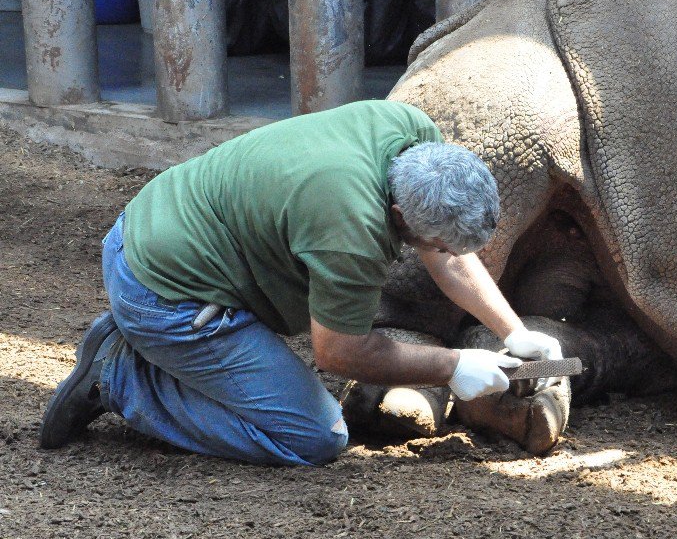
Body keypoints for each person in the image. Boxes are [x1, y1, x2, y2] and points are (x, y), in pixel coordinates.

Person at [38, 100, 562, 466]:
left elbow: (447, 257)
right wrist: (452, 366)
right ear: (400, 215)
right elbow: (338, 352)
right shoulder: (349, 228)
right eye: (441, 243)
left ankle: (145, 352)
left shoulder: (411, 133)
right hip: (165, 294)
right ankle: (119, 377)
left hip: (157, 226)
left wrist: (512, 332)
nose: (450, 256)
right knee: (315, 436)